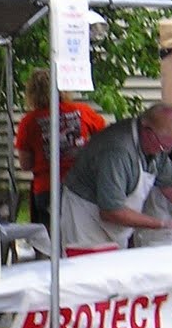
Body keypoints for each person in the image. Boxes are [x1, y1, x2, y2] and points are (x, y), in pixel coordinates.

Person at [62, 102, 172, 251]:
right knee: (89, 272)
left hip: (113, 225)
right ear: (148, 132)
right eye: (164, 146)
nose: (165, 152)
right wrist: (161, 224)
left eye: (171, 147)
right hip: (86, 219)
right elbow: (111, 210)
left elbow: (171, 185)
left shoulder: (156, 147)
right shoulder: (117, 151)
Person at [14, 68, 107, 230]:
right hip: (82, 186)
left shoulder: (28, 122)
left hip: (46, 188)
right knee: (81, 235)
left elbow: (25, 164)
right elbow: (106, 139)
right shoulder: (83, 111)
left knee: (48, 240)